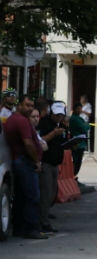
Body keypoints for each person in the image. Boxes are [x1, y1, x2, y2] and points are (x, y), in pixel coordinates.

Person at [3, 95, 47, 239]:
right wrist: (36, 161)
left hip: (20, 161)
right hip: (24, 161)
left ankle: (20, 228)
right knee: (32, 196)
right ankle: (31, 228)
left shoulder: (15, 119)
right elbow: (28, 143)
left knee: (22, 197)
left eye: (31, 106)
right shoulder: (21, 121)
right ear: (19, 105)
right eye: (27, 105)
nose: (29, 108)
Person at [38, 101, 67, 233]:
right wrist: (54, 133)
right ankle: (43, 221)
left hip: (55, 163)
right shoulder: (44, 123)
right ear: (52, 114)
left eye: (61, 115)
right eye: (57, 115)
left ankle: (44, 215)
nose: (59, 117)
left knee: (52, 193)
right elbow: (40, 140)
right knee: (46, 193)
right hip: (46, 163)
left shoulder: (60, 124)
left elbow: (61, 143)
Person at [69, 102, 90, 176]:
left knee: (78, 161)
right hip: (77, 143)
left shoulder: (79, 118)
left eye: (80, 108)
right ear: (74, 109)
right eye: (78, 109)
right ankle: (73, 175)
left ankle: (74, 175)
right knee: (76, 161)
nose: (80, 110)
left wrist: (85, 125)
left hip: (81, 142)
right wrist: (87, 126)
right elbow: (84, 128)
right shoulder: (74, 119)